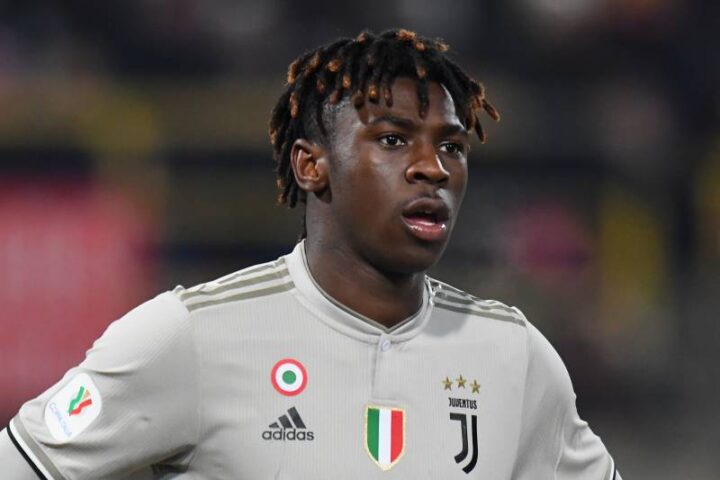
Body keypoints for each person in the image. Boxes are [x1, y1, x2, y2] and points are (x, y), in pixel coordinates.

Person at [1, 29, 621, 479]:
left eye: (452, 148)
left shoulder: (513, 356)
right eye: (394, 140)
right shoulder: (191, 337)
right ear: (310, 165)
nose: (432, 168)